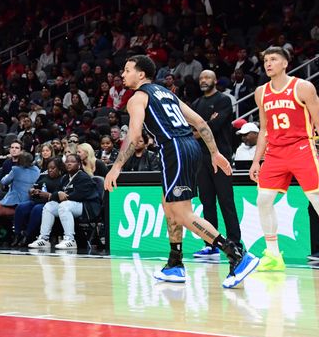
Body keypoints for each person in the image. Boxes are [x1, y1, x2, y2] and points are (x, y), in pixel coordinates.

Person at [104, 55, 258, 289]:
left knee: (183, 213)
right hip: (189, 147)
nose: (122, 75)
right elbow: (201, 123)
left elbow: (134, 137)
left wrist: (115, 168)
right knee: (169, 206)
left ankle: (236, 255)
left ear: (141, 74)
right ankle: (175, 263)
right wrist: (215, 153)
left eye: (127, 70)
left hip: (174, 148)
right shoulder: (168, 94)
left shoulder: (138, 98)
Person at [250, 46, 319, 272]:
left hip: (301, 148)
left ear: (285, 63)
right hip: (275, 152)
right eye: (265, 60)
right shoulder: (261, 92)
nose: (268, 63)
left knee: (316, 198)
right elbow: (263, 130)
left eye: (273, 59)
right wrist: (255, 160)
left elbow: (318, 120)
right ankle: (273, 254)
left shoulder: (303, 87)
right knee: (263, 200)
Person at [190, 69, 242, 258]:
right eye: (201, 77)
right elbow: (193, 129)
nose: (203, 80)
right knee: (207, 202)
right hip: (200, 158)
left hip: (221, 156)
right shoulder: (196, 103)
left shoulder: (223, 100)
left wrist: (200, 127)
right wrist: (202, 126)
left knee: (226, 201)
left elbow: (215, 126)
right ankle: (210, 244)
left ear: (215, 80)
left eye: (207, 77)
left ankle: (235, 242)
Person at [28, 154, 101, 250]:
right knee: (49, 206)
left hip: (88, 207)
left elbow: (78, 196)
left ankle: (70, 240)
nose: (69, 164)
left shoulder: (84, 177)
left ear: (79, 164)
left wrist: (64, 196)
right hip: (73, 205)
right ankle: (44, 239)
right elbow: (56, 193)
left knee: (64, 205)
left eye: (72, 162)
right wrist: (58, 194)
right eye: (67, 162)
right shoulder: (65, 178)